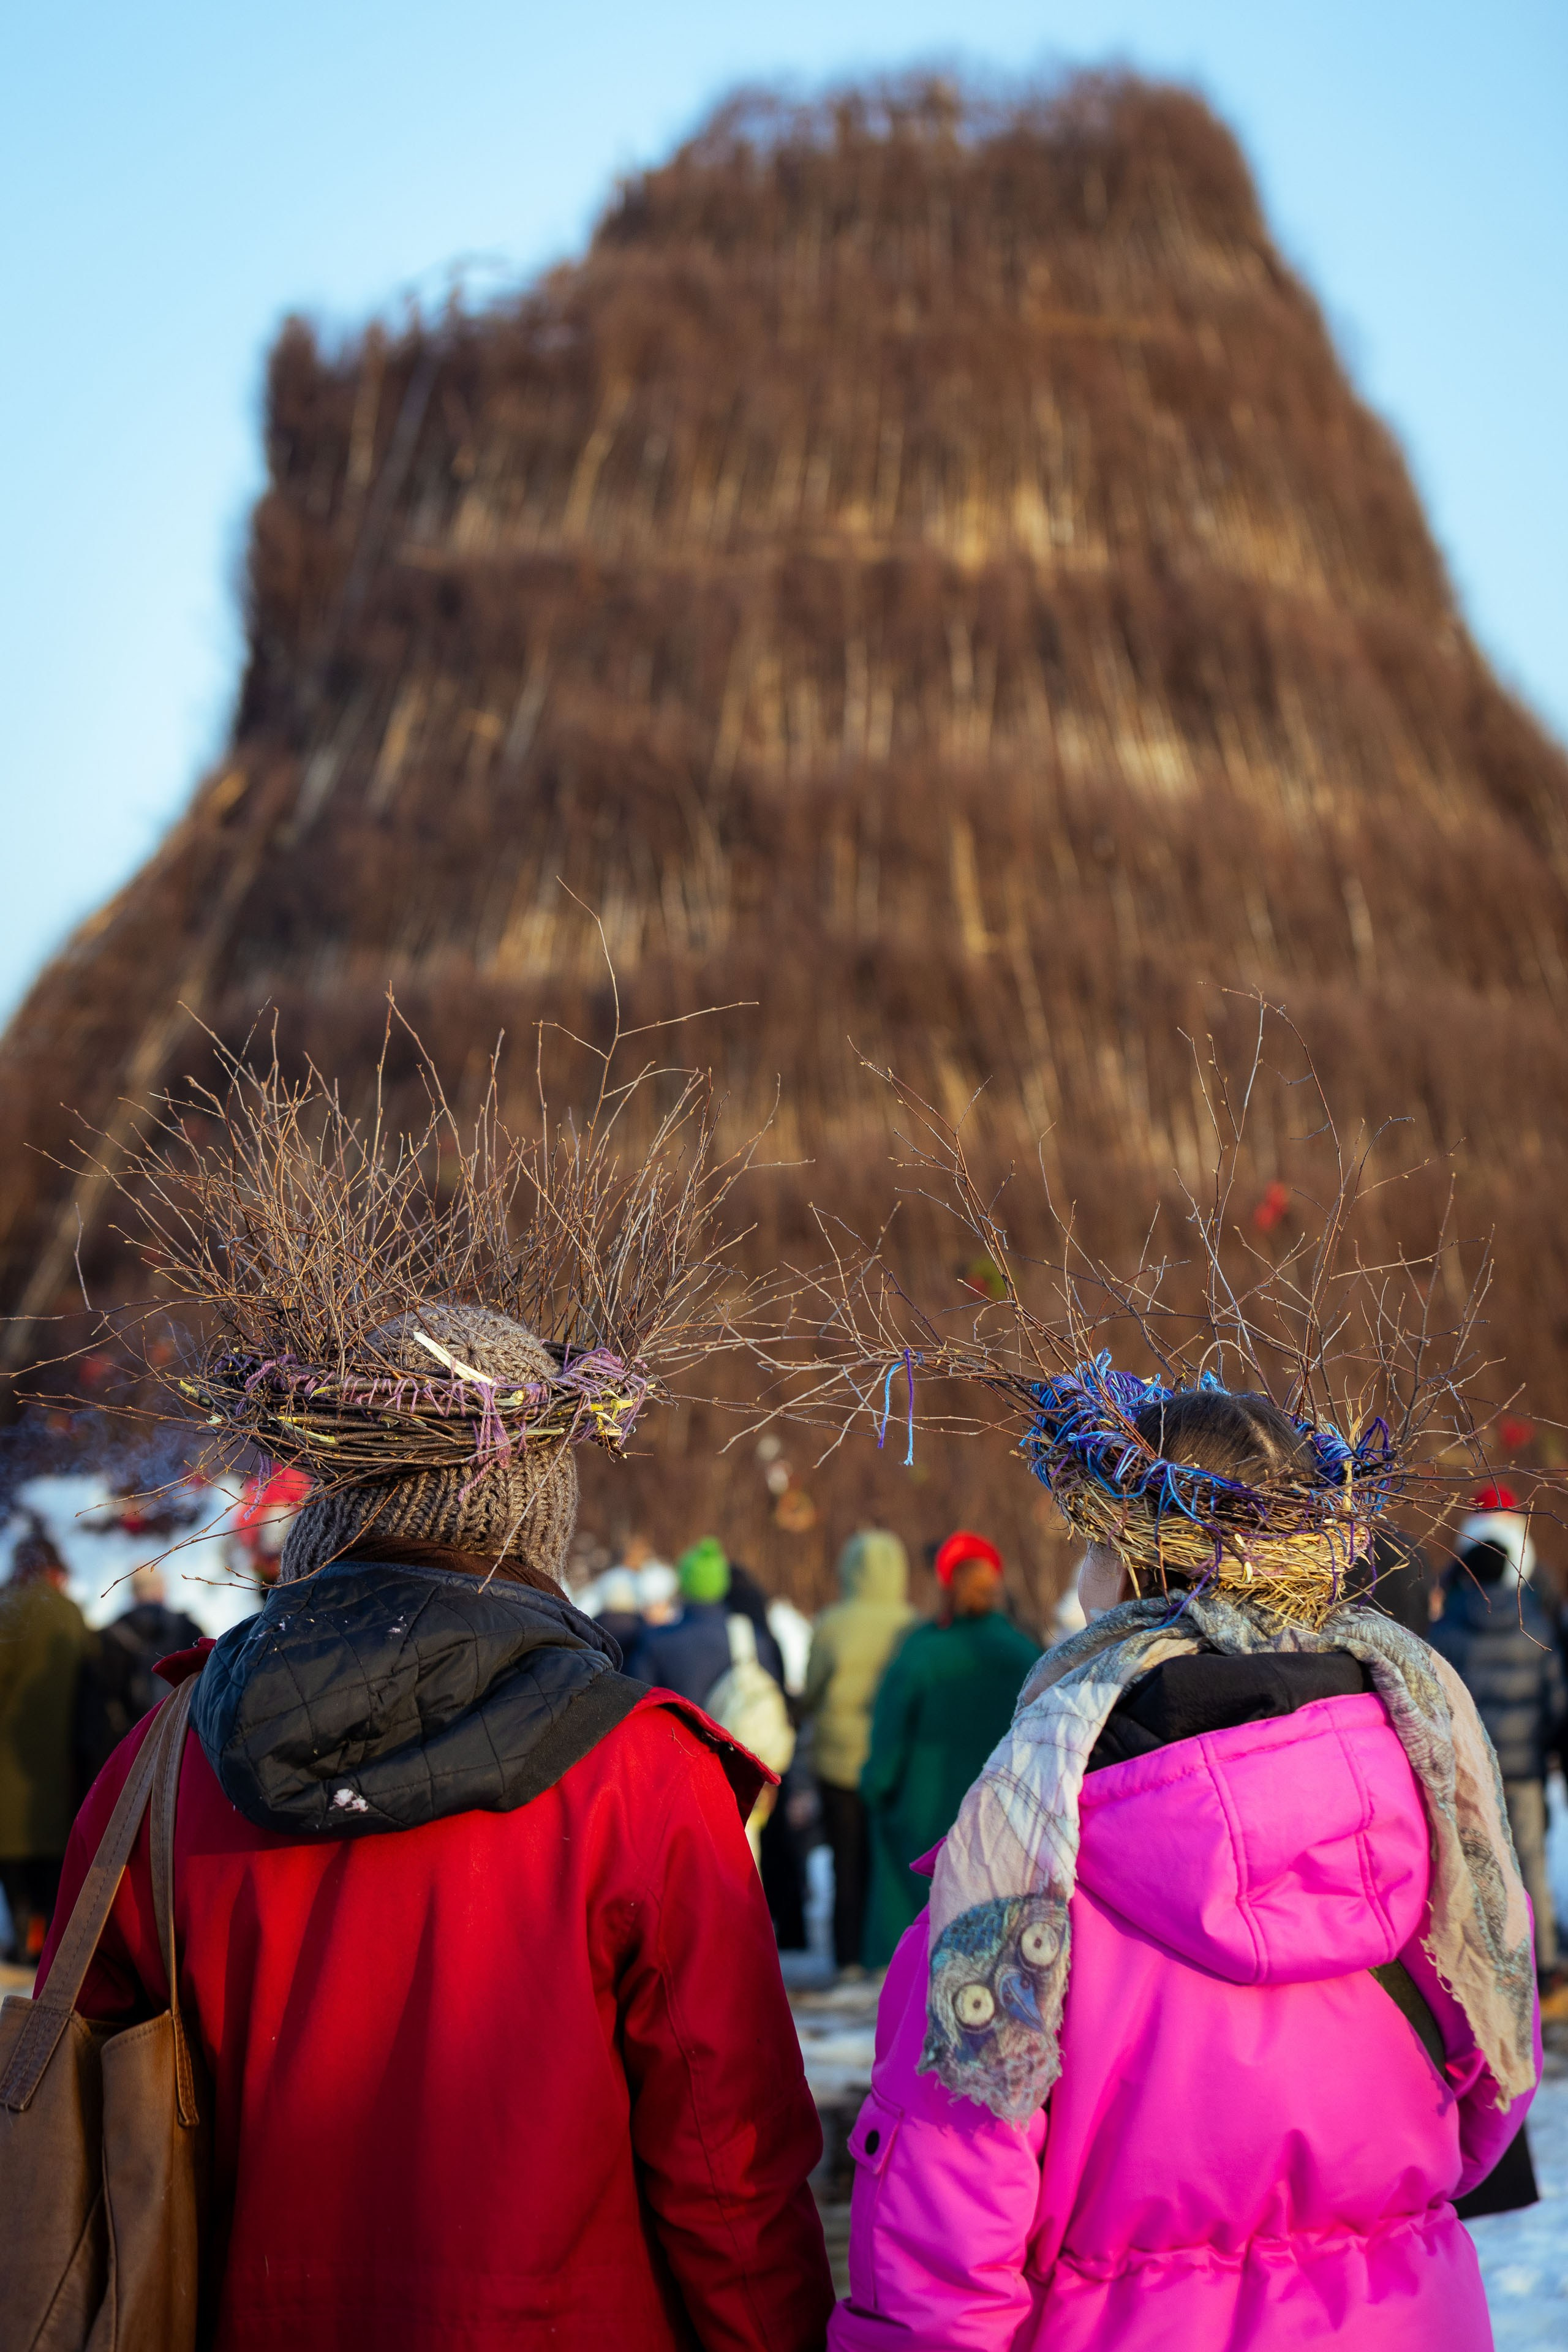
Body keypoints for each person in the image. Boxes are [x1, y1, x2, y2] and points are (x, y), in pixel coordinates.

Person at [39, 1305, 833, 2350]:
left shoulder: (161, 1765)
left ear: (333, 1497)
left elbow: (77, 2116)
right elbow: (727, 2165)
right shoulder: (643, 1774)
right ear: (534, 1515)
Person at [830, 1379, 1540, 2351]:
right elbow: (1495, 2079)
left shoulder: (1025, 1853)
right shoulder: (1432, 1797)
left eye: (1093, 1546)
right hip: (1407, 2316)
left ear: (1125, 1568)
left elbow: (950, 2213)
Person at [858, 1530, 1039, 1968]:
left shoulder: (921, 1654)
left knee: (915, 1964)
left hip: (922, 1832)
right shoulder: (1027, 1654)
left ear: (944, 1587)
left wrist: (875, 1791)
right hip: (1002, 1823)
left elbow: (885, 1754)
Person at [1431, 1486, 1567, 2000]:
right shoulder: (1533, 1620)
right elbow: (1555, 1693)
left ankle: (1483, 1962)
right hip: (1527, 1767)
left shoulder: (1447, 1625)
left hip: (1471, 1767)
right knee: (1530, 1856)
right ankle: (1545, 1960)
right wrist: (1551, 1743)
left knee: (1472, 1858)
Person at [801, 1529, 917, 1972]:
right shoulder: (912, 1625)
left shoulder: (831, 1624)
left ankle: (846, 1956)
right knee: (887, 1863)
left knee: (845, 1863)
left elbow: (812, 1690)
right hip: (891, 1763)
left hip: (837, 1761)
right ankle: (887, 1953)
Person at [0, 1520, 93, 1962]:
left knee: (13, 1857)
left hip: (7, 1762)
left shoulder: (5, 1608)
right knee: (51, 1864)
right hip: (60, 1766)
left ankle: (23, 1939)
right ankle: (41, 1939)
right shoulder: (70, 1613)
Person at [74, 1562, 205, 1787]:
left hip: (126, 1768)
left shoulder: (108, 1639)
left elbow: (92, 1722)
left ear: (133, 1593)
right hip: (183, 1765)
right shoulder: (190, 1631)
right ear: (163, 1590)